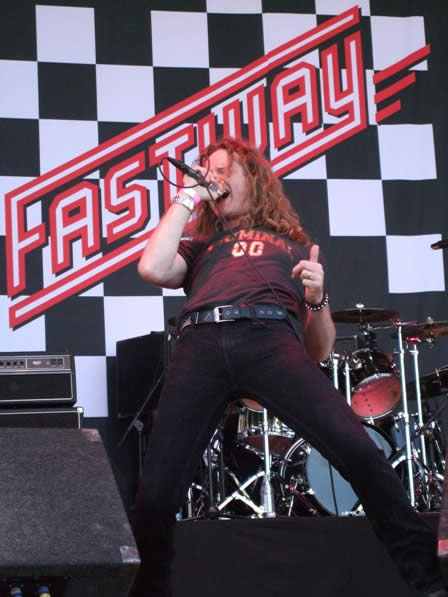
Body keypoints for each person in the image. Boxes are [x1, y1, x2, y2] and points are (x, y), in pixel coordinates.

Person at [133, 137, 446, 597]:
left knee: (359, 452)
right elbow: (154, 269)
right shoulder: (199, 245)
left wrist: (318, 300)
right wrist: (187, 195)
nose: (213, 179)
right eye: (207, 171)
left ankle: (428, 582)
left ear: (252, 181)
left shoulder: (295, 248)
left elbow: (319, 350)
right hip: (199, 340)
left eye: (222, 171)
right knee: (156, 492)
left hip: (269, 340)